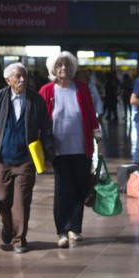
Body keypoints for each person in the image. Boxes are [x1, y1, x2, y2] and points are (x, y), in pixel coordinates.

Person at [0, 63, 54, 254]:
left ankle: (19, 238)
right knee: (3, 199)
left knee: (22, 201)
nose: (22, 80)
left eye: (24, 76)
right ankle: (8, 225)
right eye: (17, 77)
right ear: (7, 80)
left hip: (26, 161)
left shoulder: (36, 101)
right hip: (1, 160)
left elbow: (46, 130)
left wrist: (49, 155)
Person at [39, 52, 102, 248]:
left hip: (81, 148)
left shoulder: (81, 89)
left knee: (80, 188)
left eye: (67, 65)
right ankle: (62, 231)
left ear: (73, 68)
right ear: (53, 69)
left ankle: (75, 228)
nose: (63, 68)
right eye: (59, 65)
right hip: (58, 150)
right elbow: (40, 121)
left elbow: (92, 116)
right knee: (62, 190)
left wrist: (99, 141)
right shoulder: (47, 90)